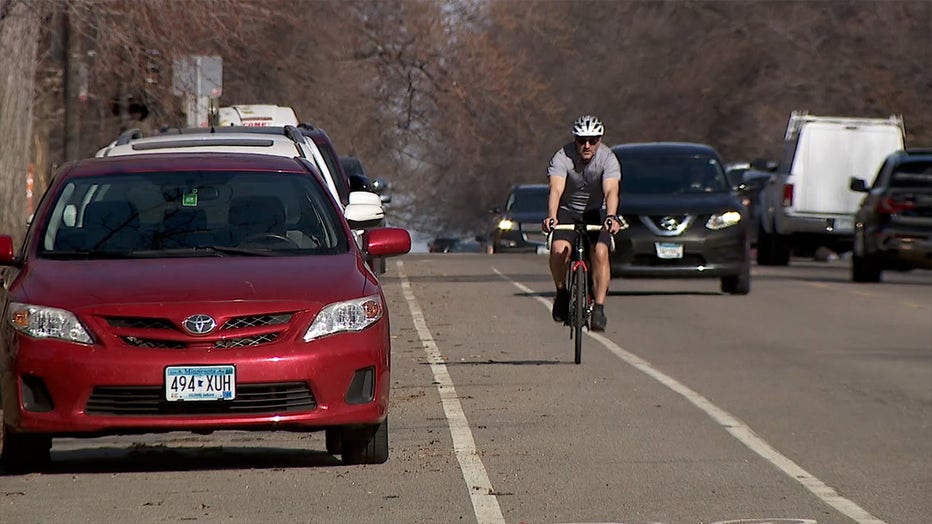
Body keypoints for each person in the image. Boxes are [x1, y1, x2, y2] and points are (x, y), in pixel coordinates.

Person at [542, 115, 622, 332]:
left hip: (598, 212)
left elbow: (611, 190)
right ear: (575, 139)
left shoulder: (608, 159)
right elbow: (556, 189)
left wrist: (612, 217)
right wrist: (551, 217)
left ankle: (599, 307)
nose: (587, 145)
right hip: (568, 211)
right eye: (581, 140)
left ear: (600, 139)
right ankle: (561, 293)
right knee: (559, 250)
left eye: (592, 140)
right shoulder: (562, 157)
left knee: (600, 252)